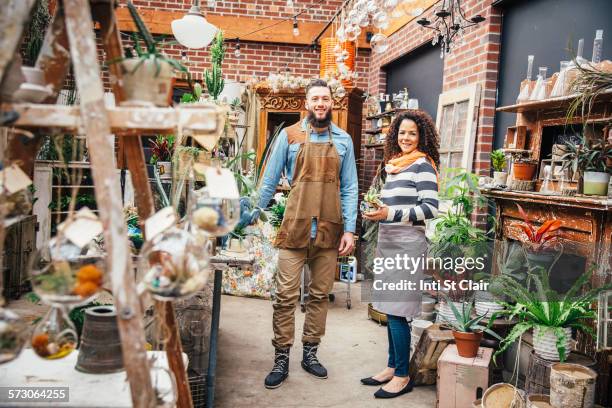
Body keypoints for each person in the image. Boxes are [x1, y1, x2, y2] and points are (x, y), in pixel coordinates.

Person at [255, 79, 358, 389]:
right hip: (295, 228)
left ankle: (310, 353)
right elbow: (269, 181)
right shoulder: (289, 136)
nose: (320, 103)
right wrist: (251, 215)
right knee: (284, 297)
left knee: (319, 297)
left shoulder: (344, 140)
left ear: (331, 103)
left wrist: (350, 230)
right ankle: (282, 356)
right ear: (307, 102)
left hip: (329, 230)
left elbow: (350, 187)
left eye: (325, 98)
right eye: (315, 98)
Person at [362, 110, 439, 399]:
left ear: (421, 137)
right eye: (402, 132)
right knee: (388, 306)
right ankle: (393, 366)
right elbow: (392, 205)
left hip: (408, 243)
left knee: (397, 311)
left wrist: (390, 212)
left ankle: (403, 376)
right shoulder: (394, 166)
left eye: (412, 133)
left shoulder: (423, 165)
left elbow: (431, 208)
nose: (405, 138)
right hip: (389, 238)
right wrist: (377, 210)